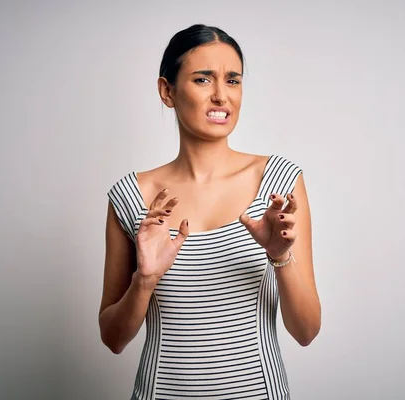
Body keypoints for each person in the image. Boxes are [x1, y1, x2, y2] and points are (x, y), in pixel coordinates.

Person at [98, 24, 321, 399]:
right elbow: (113, 339)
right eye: (203, 79)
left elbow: (306, 331)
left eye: (232, 80)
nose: (221, 96)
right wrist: (145, 280)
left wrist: (280, 258)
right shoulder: (131, 196)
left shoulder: (279, 183)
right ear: (167, 91)